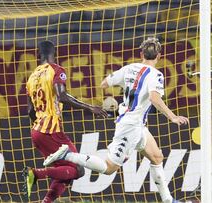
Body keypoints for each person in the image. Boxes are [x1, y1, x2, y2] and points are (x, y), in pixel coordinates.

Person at [43, 37, 189, 203]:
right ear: (159, 56)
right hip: (130, 127)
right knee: (108, 168)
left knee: (157, 157)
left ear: (141, 53)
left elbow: (104, 83)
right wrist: (173, 116)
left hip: (137, 124)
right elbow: (155, 99)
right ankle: (68, 155)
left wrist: (114, 96)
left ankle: (168, 200)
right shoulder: (157, 75)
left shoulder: (129, 68)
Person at [23, 40, 108, 203]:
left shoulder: (31, 78)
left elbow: (30, 111)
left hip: (36, 131)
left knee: (65, 170)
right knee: (77, 168)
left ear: (38, 56)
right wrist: (89, 108)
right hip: (51, 130)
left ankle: (46, 201)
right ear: (53, 55)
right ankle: (35, 173)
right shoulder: (56, 70)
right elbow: (62, 95)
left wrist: (39, 126)